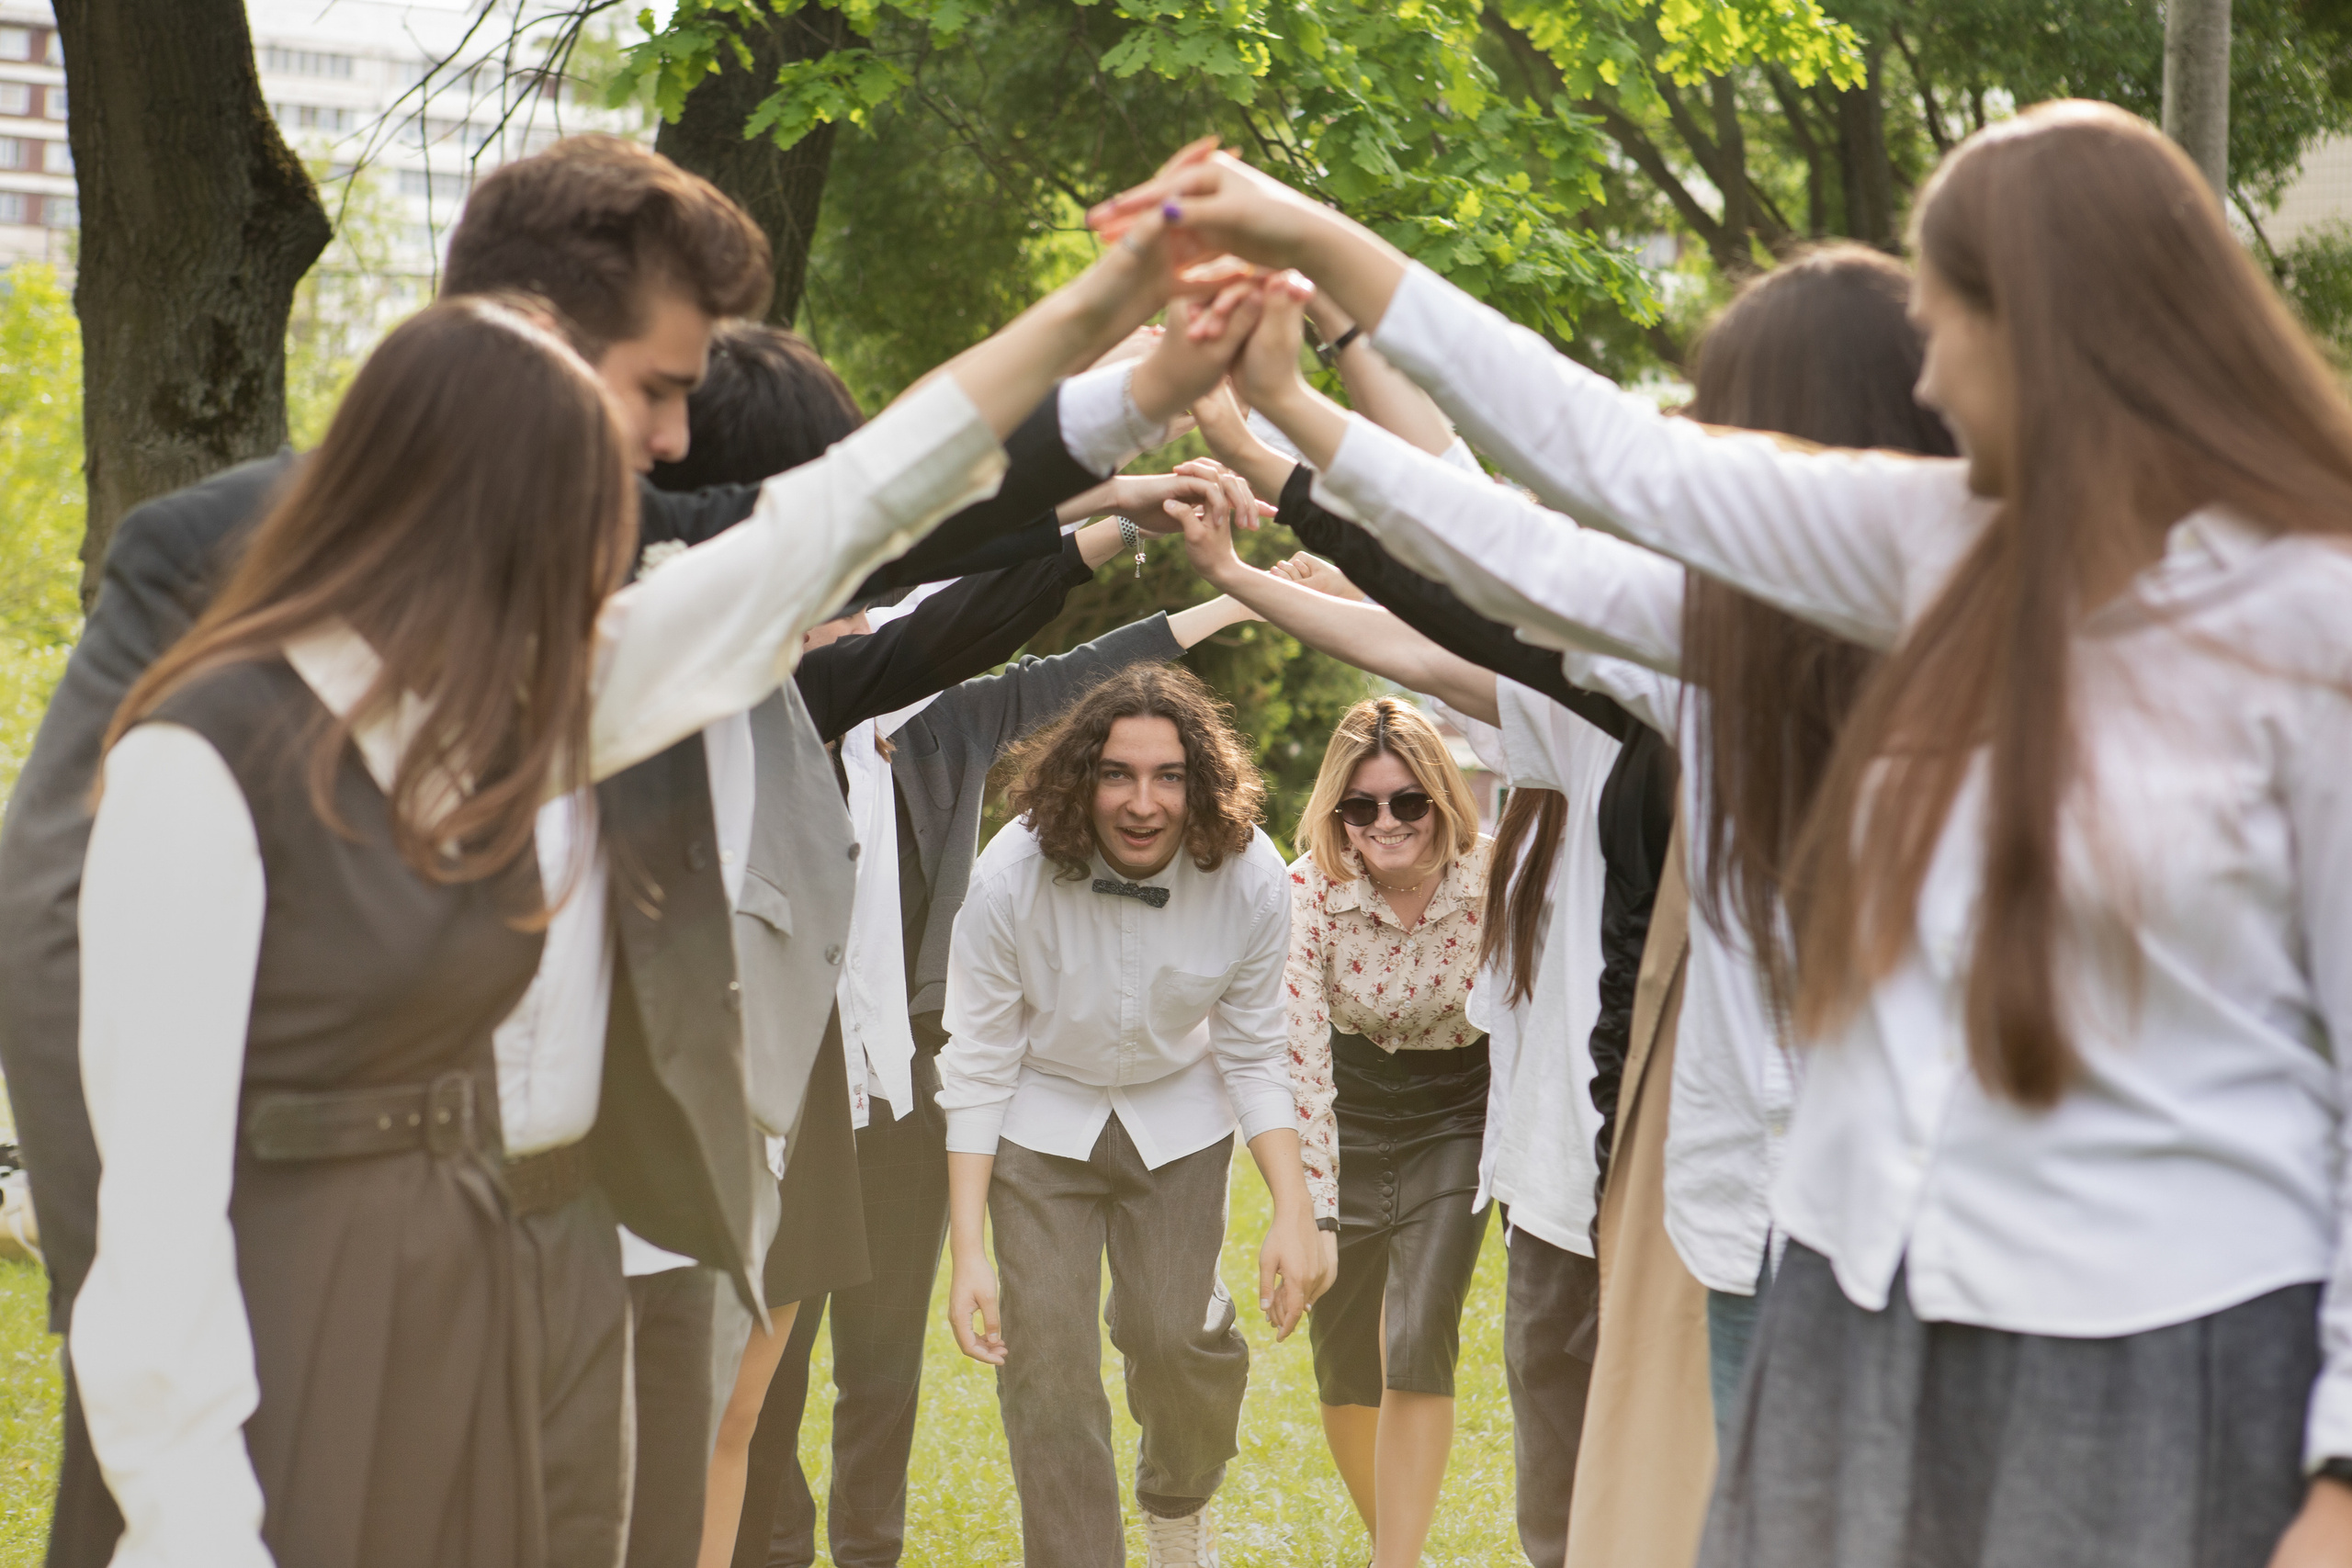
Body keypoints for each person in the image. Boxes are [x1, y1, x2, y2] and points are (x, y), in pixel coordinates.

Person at [1112, 102, 2352, 1565]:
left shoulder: (2308, 620)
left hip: (2165, 1335)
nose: (1928, 373)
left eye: (1949, 319)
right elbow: (1591, 489)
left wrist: (2341, 1471)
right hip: (1864, 1294)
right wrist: (1309, 312)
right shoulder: (1929, 544)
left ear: (2051, 328)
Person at [620, 318, 1267, 1568]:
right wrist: (1111, 419)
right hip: (666, 1099)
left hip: (837, 1083)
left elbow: (966, 619)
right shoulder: (642, 669)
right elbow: (914, 560)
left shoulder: (848, 701)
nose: (859, 608)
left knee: (755, 1398)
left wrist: (1118, 495)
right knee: (680, 1411)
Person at [935, 663, 1329, 1568]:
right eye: (1117, 773)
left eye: (1167, 776)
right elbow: (979, 1062)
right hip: (1040, 1118)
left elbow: (1254, 1051)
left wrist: (1294, 1207)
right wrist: (968, 1251)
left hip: (1177, 1120)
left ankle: (1178, 1504)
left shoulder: (1250, 877)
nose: (1142, 803)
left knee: (1170, 1333)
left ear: (1200, 783)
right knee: (1046, 1369)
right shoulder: (1009, 875)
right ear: (1083, 777)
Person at [1278, 695, 1492, 1568]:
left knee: (1417, 1327)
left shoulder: (1498, 877)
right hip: (1349, 1104)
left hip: (1459, 1108)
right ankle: (1396, 1548)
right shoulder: (1307, 891)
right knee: (1342, 1357)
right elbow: (1299, 1058)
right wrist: (1316, 1214)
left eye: (1408, 800)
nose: (1385, 822)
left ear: (1441, 797)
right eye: (1360, 805)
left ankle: (1394, 1562)